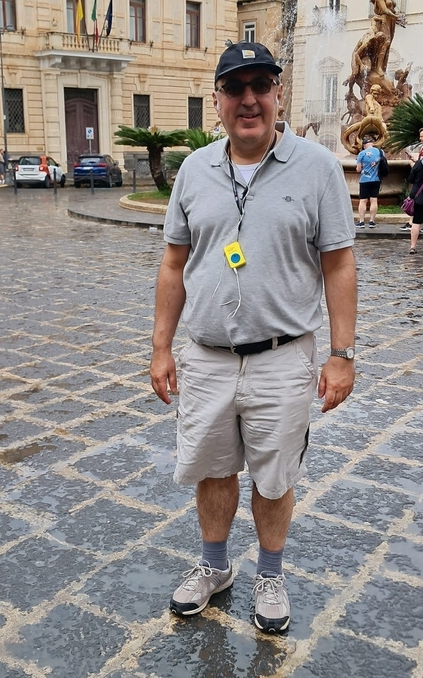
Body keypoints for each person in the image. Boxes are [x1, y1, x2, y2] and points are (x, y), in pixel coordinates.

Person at [151, 41, 357, 634]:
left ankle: (270, 573)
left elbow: (340, 264)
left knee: (274, 475)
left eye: (260, 87)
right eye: (235, 89)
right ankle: (214, 568)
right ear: (217, 100)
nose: (249, 101)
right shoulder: (195, 169)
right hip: (207, 355)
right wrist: (162, 346)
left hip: (282, 357)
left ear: (278, 94)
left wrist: (342, 355)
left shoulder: (316, 168)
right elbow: (173, 263)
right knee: (213, 469)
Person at [402, 126, 423, 232]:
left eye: (421, 136)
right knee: (418, 200)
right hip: (421, 177)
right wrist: (416, 161)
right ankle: (413, 222)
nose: (420, 138)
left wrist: (416, 166)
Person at [355, 134, 381, 228]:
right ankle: (372, 221)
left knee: (363, 201)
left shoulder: (362, 153)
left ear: (364, 145)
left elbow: (358, 169)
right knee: (374, 200)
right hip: (376, 179)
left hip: (364, 180)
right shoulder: (380, 151)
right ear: (372, 144)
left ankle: (361, 222)